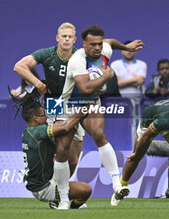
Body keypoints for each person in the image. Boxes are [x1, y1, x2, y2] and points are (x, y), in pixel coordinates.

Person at [55, 25, 145, 209]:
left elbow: (110, 42)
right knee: (65, 154)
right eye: (92, 44)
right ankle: (62, 198)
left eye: (99, 44)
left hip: (91, 104)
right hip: (69, 107)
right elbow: (85, 88)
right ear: (84, 44)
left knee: (99, 135)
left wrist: (126, 48)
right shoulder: (77, 61)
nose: (97, 48)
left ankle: (117, 185)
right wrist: (108, 75)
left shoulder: (104, 48)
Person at [14, 22, 83, 176]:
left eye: (70, 37)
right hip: (54, 102)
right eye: (63, 36)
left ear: (75, 39)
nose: (66, 39)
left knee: (73, 160)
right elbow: (19, 66)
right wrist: (38, 84)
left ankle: (60, 189)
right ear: (57, 38)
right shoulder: (46, 54)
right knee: (58, 152)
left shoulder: (81, 56)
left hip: (75, 103)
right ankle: (53, 191)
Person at [9, 88, 92, 209]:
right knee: (85, 190)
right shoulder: (38, 131)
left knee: (61, 157)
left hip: (39, 183)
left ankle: (60, 201)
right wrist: (83, 110)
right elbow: (64, 127)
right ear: (35, 118)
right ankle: (69, 205)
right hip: (44, 188)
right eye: (44, 115)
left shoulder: (28, 132)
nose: (47, 118)